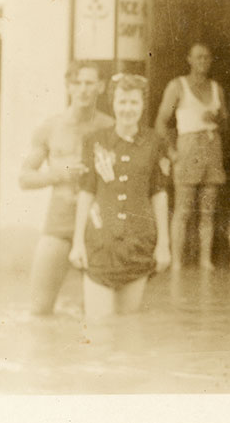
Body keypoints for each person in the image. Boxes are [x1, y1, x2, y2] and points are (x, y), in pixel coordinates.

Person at [68, 74, 171, 319]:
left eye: (134, 102)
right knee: (98, 325)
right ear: (113, 103)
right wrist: (77, 242)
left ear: (142, 105)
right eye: (122, 101)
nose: (127, 109)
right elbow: (86, 192)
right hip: (101, 244)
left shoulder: (155, 143)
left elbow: (159, 194)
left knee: (127, 325)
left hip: (138, 244)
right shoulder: (94, 141)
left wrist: (163, 245)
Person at [19, 60, 113, 315]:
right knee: (39, 310)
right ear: (69, 87)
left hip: (97, 226)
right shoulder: (50, 128)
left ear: (101, 87)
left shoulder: (109, 128)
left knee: (97, 314)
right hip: (59, 222)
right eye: (77, 83)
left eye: (89, 83)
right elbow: (25, 178)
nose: (83, 89)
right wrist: (60, 173)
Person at [155, 43, 229, 271]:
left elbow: (226, 123)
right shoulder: (178, 86)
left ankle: (205, 260)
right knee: (183, 209)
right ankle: (176, 261)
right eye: (198, 57)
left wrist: (216, 118)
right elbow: (160, 122)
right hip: (187, 147)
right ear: (189, 59)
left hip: (212, 147)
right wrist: (172, 152)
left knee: (208, 210)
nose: (203, 61)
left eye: (207, 57)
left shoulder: (216, 88)